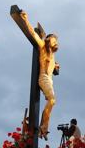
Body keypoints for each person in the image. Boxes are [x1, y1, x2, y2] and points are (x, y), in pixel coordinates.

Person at [18, 10, 60, 140]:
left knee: (52, 102)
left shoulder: (53, 56)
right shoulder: (43, 47)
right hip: (43, 78)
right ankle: (43, 127)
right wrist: (25, 20)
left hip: (50, 81)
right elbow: (33, 34)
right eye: (54, 39)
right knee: (52, 100)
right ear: (48, 39)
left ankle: (43, 127)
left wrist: (55, 66)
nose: (56, 41)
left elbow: (53, 66)